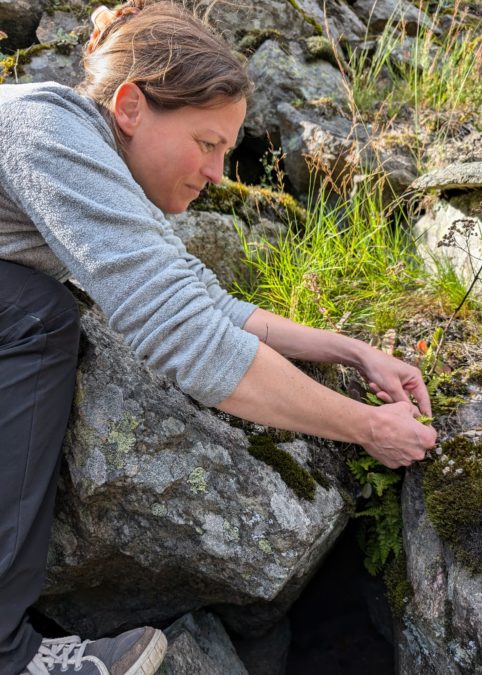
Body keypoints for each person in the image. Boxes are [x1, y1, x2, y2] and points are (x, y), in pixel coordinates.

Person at [0, 1, 437, 673]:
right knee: (37, 314)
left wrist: (351, 350)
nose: (216, 174)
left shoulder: (94, 160)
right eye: (207, 144)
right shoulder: (46, 132)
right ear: (130, 107)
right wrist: (365, 427)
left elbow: (198, 298)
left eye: (226, 152)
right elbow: (185, 338)